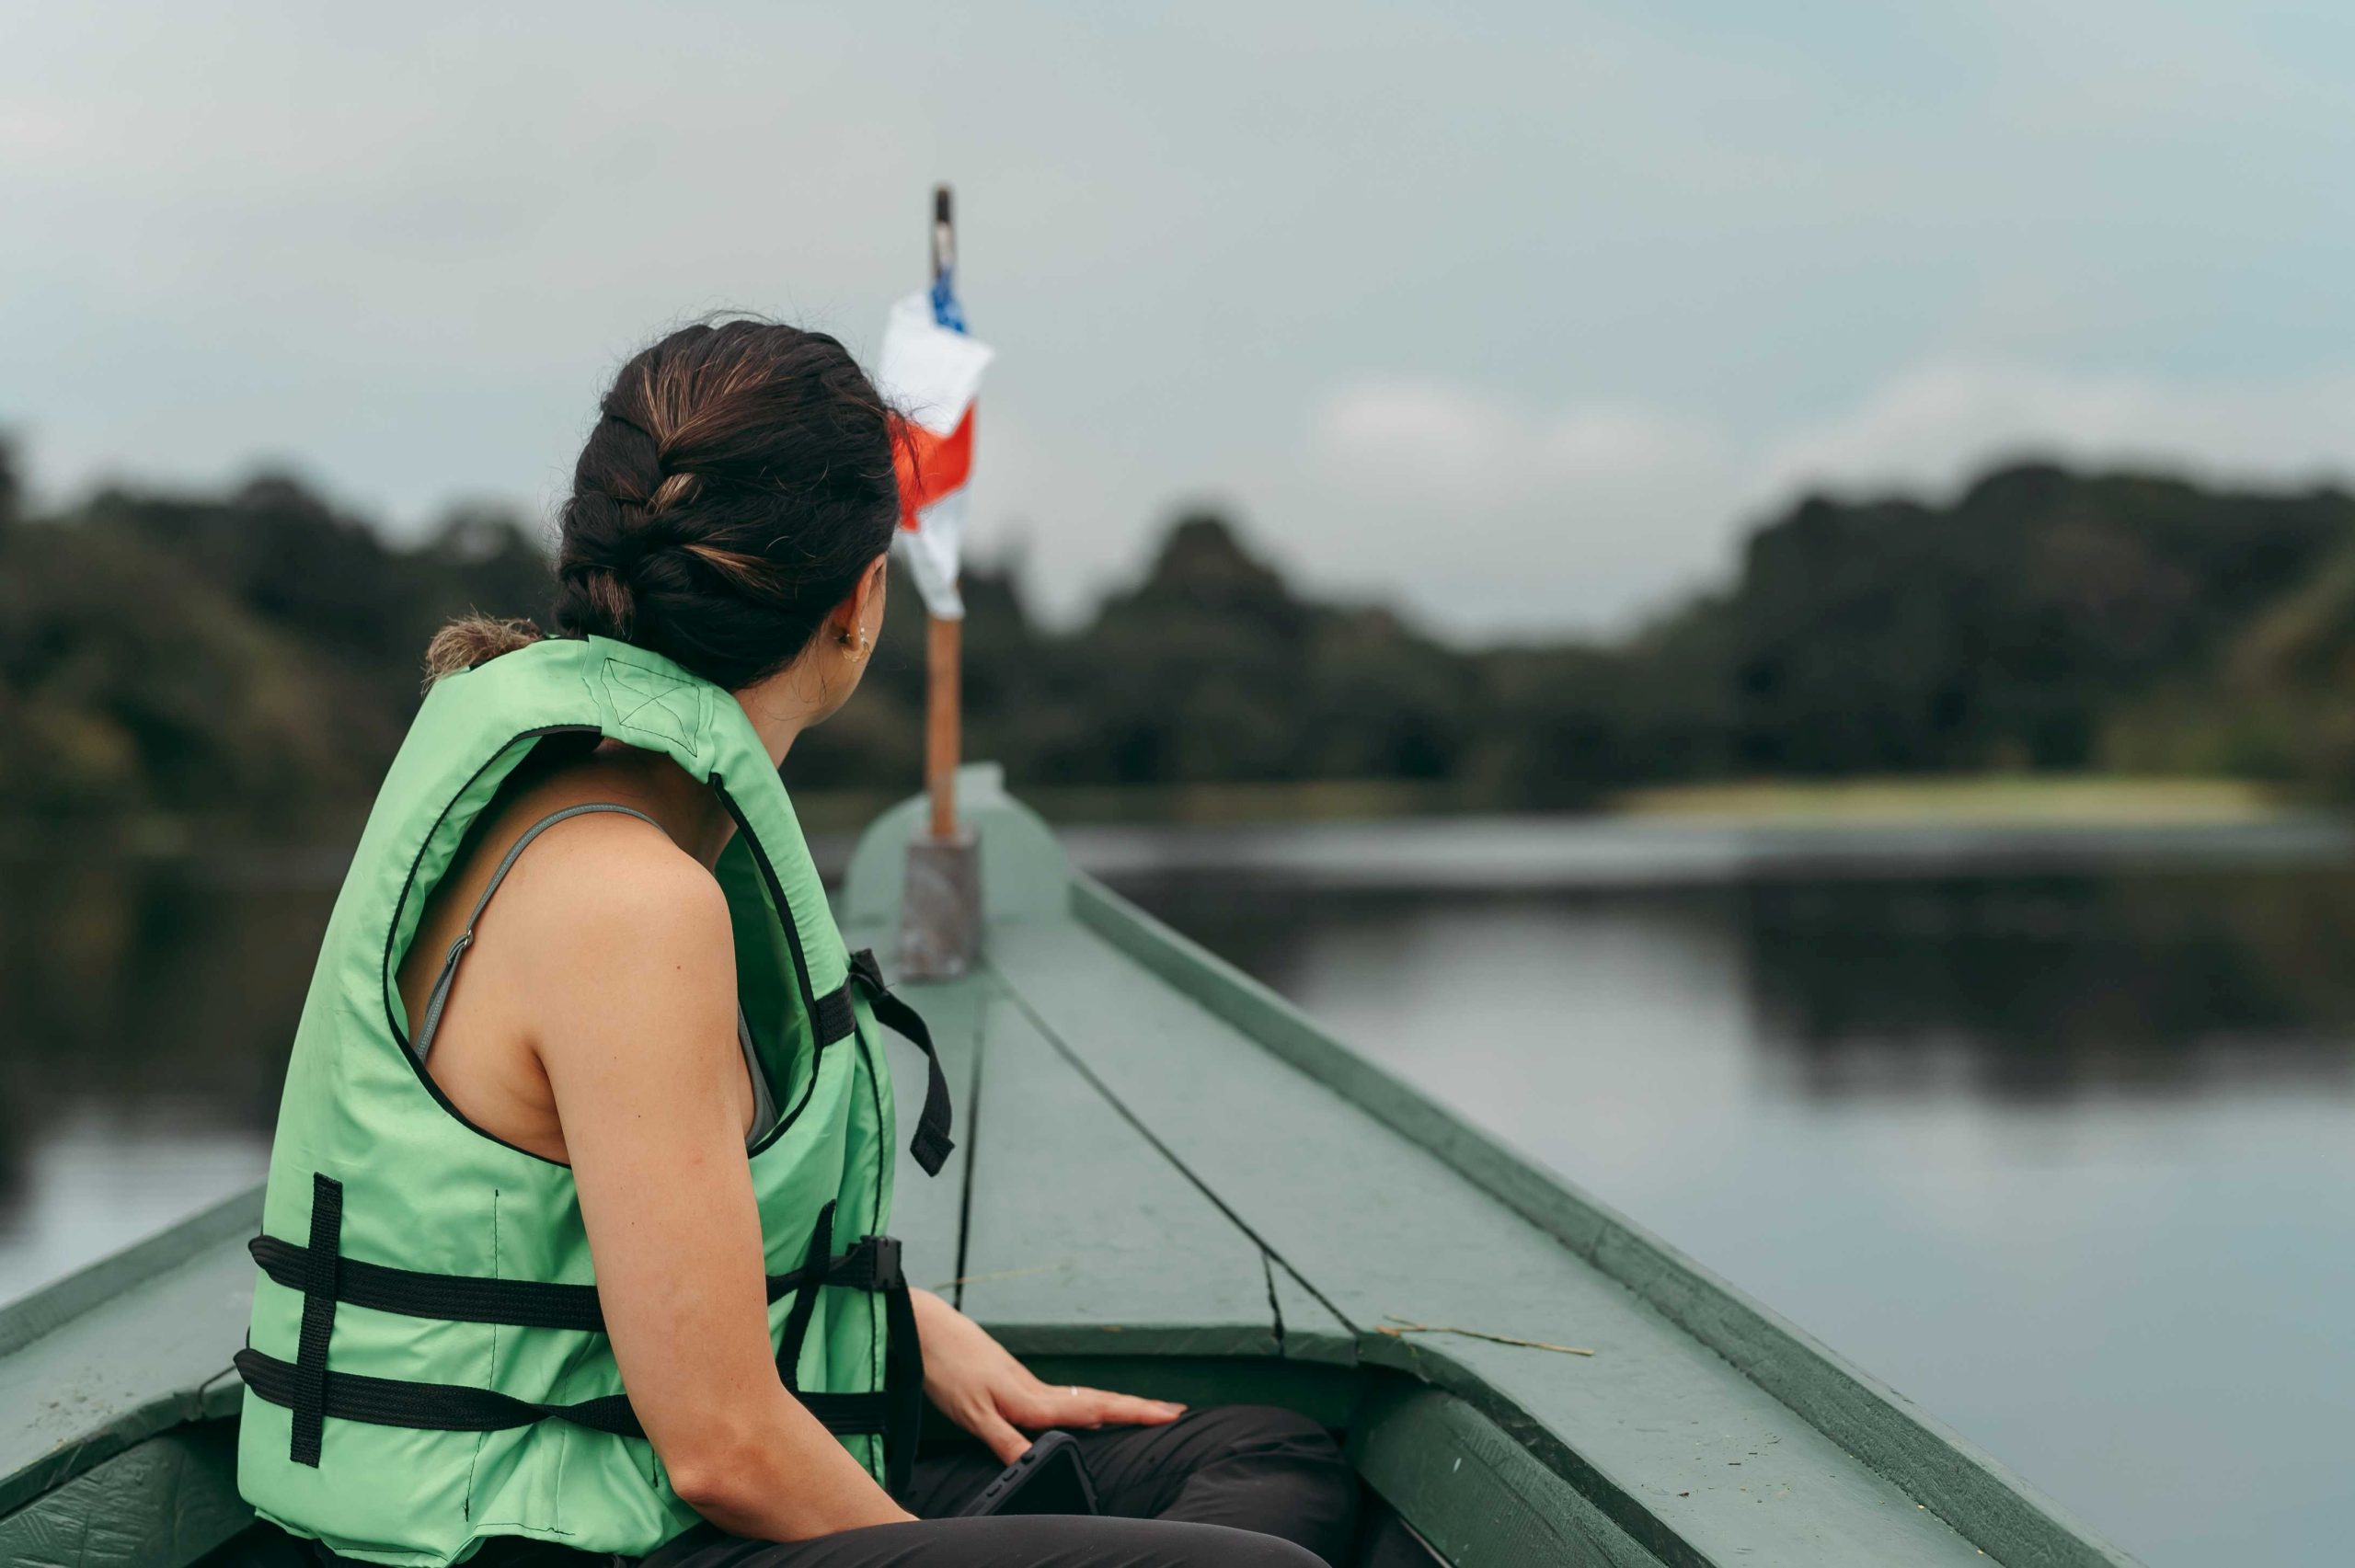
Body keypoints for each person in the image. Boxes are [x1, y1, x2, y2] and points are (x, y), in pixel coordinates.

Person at [234, 320, 1355, 1568]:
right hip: (551, 1542)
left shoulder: (588, 810)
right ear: (862, 601)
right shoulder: (628, 899)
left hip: (618, 1485)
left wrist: (897, 1326)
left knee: (1260, 1456)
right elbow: (722, 1447)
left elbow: (613, 1243)